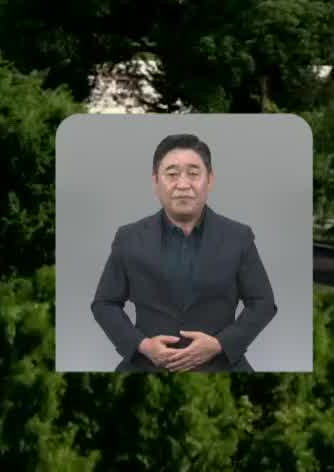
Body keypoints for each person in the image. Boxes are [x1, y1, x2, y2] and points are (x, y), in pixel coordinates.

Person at [91, 133, 277, 372]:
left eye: (193, 173)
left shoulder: (238, 237)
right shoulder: (129, 238)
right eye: (172, 174)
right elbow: (104, 303)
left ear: (209, 180)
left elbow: (263, 302)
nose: (183, 184)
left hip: (221, 365)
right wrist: (142, 345)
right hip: (147, 365)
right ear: (155, 182)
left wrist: (221, 344)